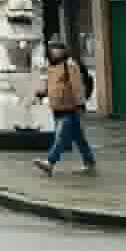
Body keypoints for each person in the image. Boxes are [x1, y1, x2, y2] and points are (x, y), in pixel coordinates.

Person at [33, 39, 96, 176]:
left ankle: (50, 162)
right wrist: (42, 94)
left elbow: (77, 86)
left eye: (58, 49)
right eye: (53, 49)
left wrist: (80, 105)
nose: (55, 52)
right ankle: (90, 163)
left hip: (70, 108)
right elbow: (51, 85)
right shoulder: (51, 67)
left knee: (61, 137)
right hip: (57, 108)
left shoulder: (70, 65)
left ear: (63, 51)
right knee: (79, 138)